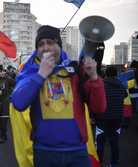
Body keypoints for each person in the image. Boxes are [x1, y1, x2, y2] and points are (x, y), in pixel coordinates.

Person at [11, 25, 106, 167]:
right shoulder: (29, 71)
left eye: (50, 42)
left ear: (60, 46)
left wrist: (94, 77)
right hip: (44, 152)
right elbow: (18, 103)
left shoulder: (74, 70)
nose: (46, 47)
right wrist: (40, 75)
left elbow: (99, 108)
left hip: (77, 151)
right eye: (41, 44)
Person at [94, 66, 127, 167]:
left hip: (102, 118)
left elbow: (95, 100)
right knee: (114, 142)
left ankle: (99, 163)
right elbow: (125, 95)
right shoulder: (121, 85)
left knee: (100, 142)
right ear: (116, 74)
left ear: (106, 74)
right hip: (117, 119)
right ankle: (114, 163)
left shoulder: (100, 85)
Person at [0, 65, 15, 143]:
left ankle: (3, 136)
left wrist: (9, 94)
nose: (2, 72)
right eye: (0, 71)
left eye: (3, 71)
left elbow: (16, 86)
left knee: (4, 119)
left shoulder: (8, 79)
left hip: (6, 102)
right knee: (0, 120)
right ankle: (3, 135)